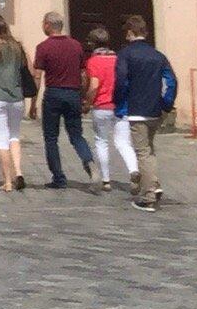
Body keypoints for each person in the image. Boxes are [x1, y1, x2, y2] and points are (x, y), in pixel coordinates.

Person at [113, 14, 178, 210]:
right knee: (148, 149)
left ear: (130, 32)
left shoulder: (126, 54)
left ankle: (149, 196)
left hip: (136, 109)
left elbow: (121, 81)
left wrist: (119, 101)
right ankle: (154, 184)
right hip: (155, 109)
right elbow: (171, 81)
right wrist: (166, 104)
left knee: (142, 152)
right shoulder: (158, 56)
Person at [33, 11, 97, 189]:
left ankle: (58, 177)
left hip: (53, 94)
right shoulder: (76, 46)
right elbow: (83, 74)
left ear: (47, 25)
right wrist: (83, 96)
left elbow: (37, 76)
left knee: (51, 137)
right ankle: (88, 160)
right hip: (73, 93)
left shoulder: (43, 47)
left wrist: (33, 101)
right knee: (76, 134)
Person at [0, 13, 36, 191]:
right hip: (16, 98)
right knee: (14, 136)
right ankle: (19, 172)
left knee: (1, 139)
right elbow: (32, 71)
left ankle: (8, 182)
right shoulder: (18, 47)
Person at [81, 23, 135, 193]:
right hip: (120, 106)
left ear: (93, 44)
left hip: (102, 107)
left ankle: (106, 179)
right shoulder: (118, 59)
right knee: (124, 143)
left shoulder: (93, 61)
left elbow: (94, 86)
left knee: (101, 141)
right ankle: (134, 171)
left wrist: (87, 103)